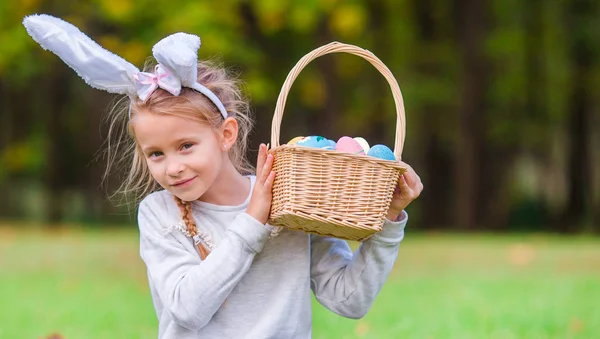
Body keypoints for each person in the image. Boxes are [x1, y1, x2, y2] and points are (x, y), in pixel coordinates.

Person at [23, 14, 423, 339]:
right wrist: (252, 222)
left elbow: (348, 302)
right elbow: (187, 309)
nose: (173, 166)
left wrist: (387, 225)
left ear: (226, 134)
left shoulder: (290, 202)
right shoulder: (159, 212)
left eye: (186, 146)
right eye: (156, 154)